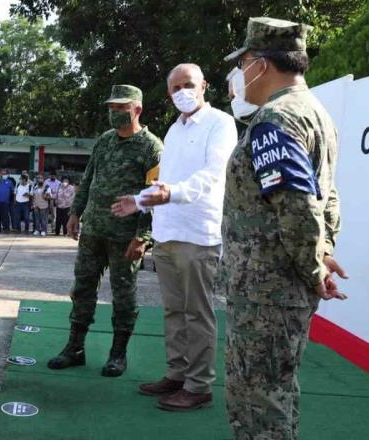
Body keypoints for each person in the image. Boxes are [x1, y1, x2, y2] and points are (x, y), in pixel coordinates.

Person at [217, 17, 347, 439]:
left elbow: (297, 206)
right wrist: (321, 257)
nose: (238, 76)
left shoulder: (276, 119)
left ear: (260, 63)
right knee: (277, 394)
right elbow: (326, 200)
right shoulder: (315, 115)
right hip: (282, 290)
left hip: (266, 291)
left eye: (242, 64)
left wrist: (314, 269)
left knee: (258, 405)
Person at [112, 64, 238, 411]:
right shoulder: (174, 129)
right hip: (167, 231)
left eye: (189, 84)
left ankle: (199, 385)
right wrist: (139, 201)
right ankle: (177, 373)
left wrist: (172, 195)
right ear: (168, 94)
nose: (183, 91)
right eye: (176, 88)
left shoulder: (221, 124)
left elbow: (213, 176)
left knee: (197, 313)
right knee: (173, 311)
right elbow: (162, 181)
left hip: (199, 233)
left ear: (204, 86)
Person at [46, 84, 163, 378]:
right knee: (82, 288)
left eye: (120, 108)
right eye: (111, 108)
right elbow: (88, 180)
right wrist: (75, 213)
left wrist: (143, 237)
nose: (114, 113)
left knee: (124, 294)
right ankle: (75, 348)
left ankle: (118, 353)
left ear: (137, 109)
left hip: (125, 236)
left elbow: (154, 196)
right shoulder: (105, 141)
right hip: (94, 230)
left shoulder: (151, 147)